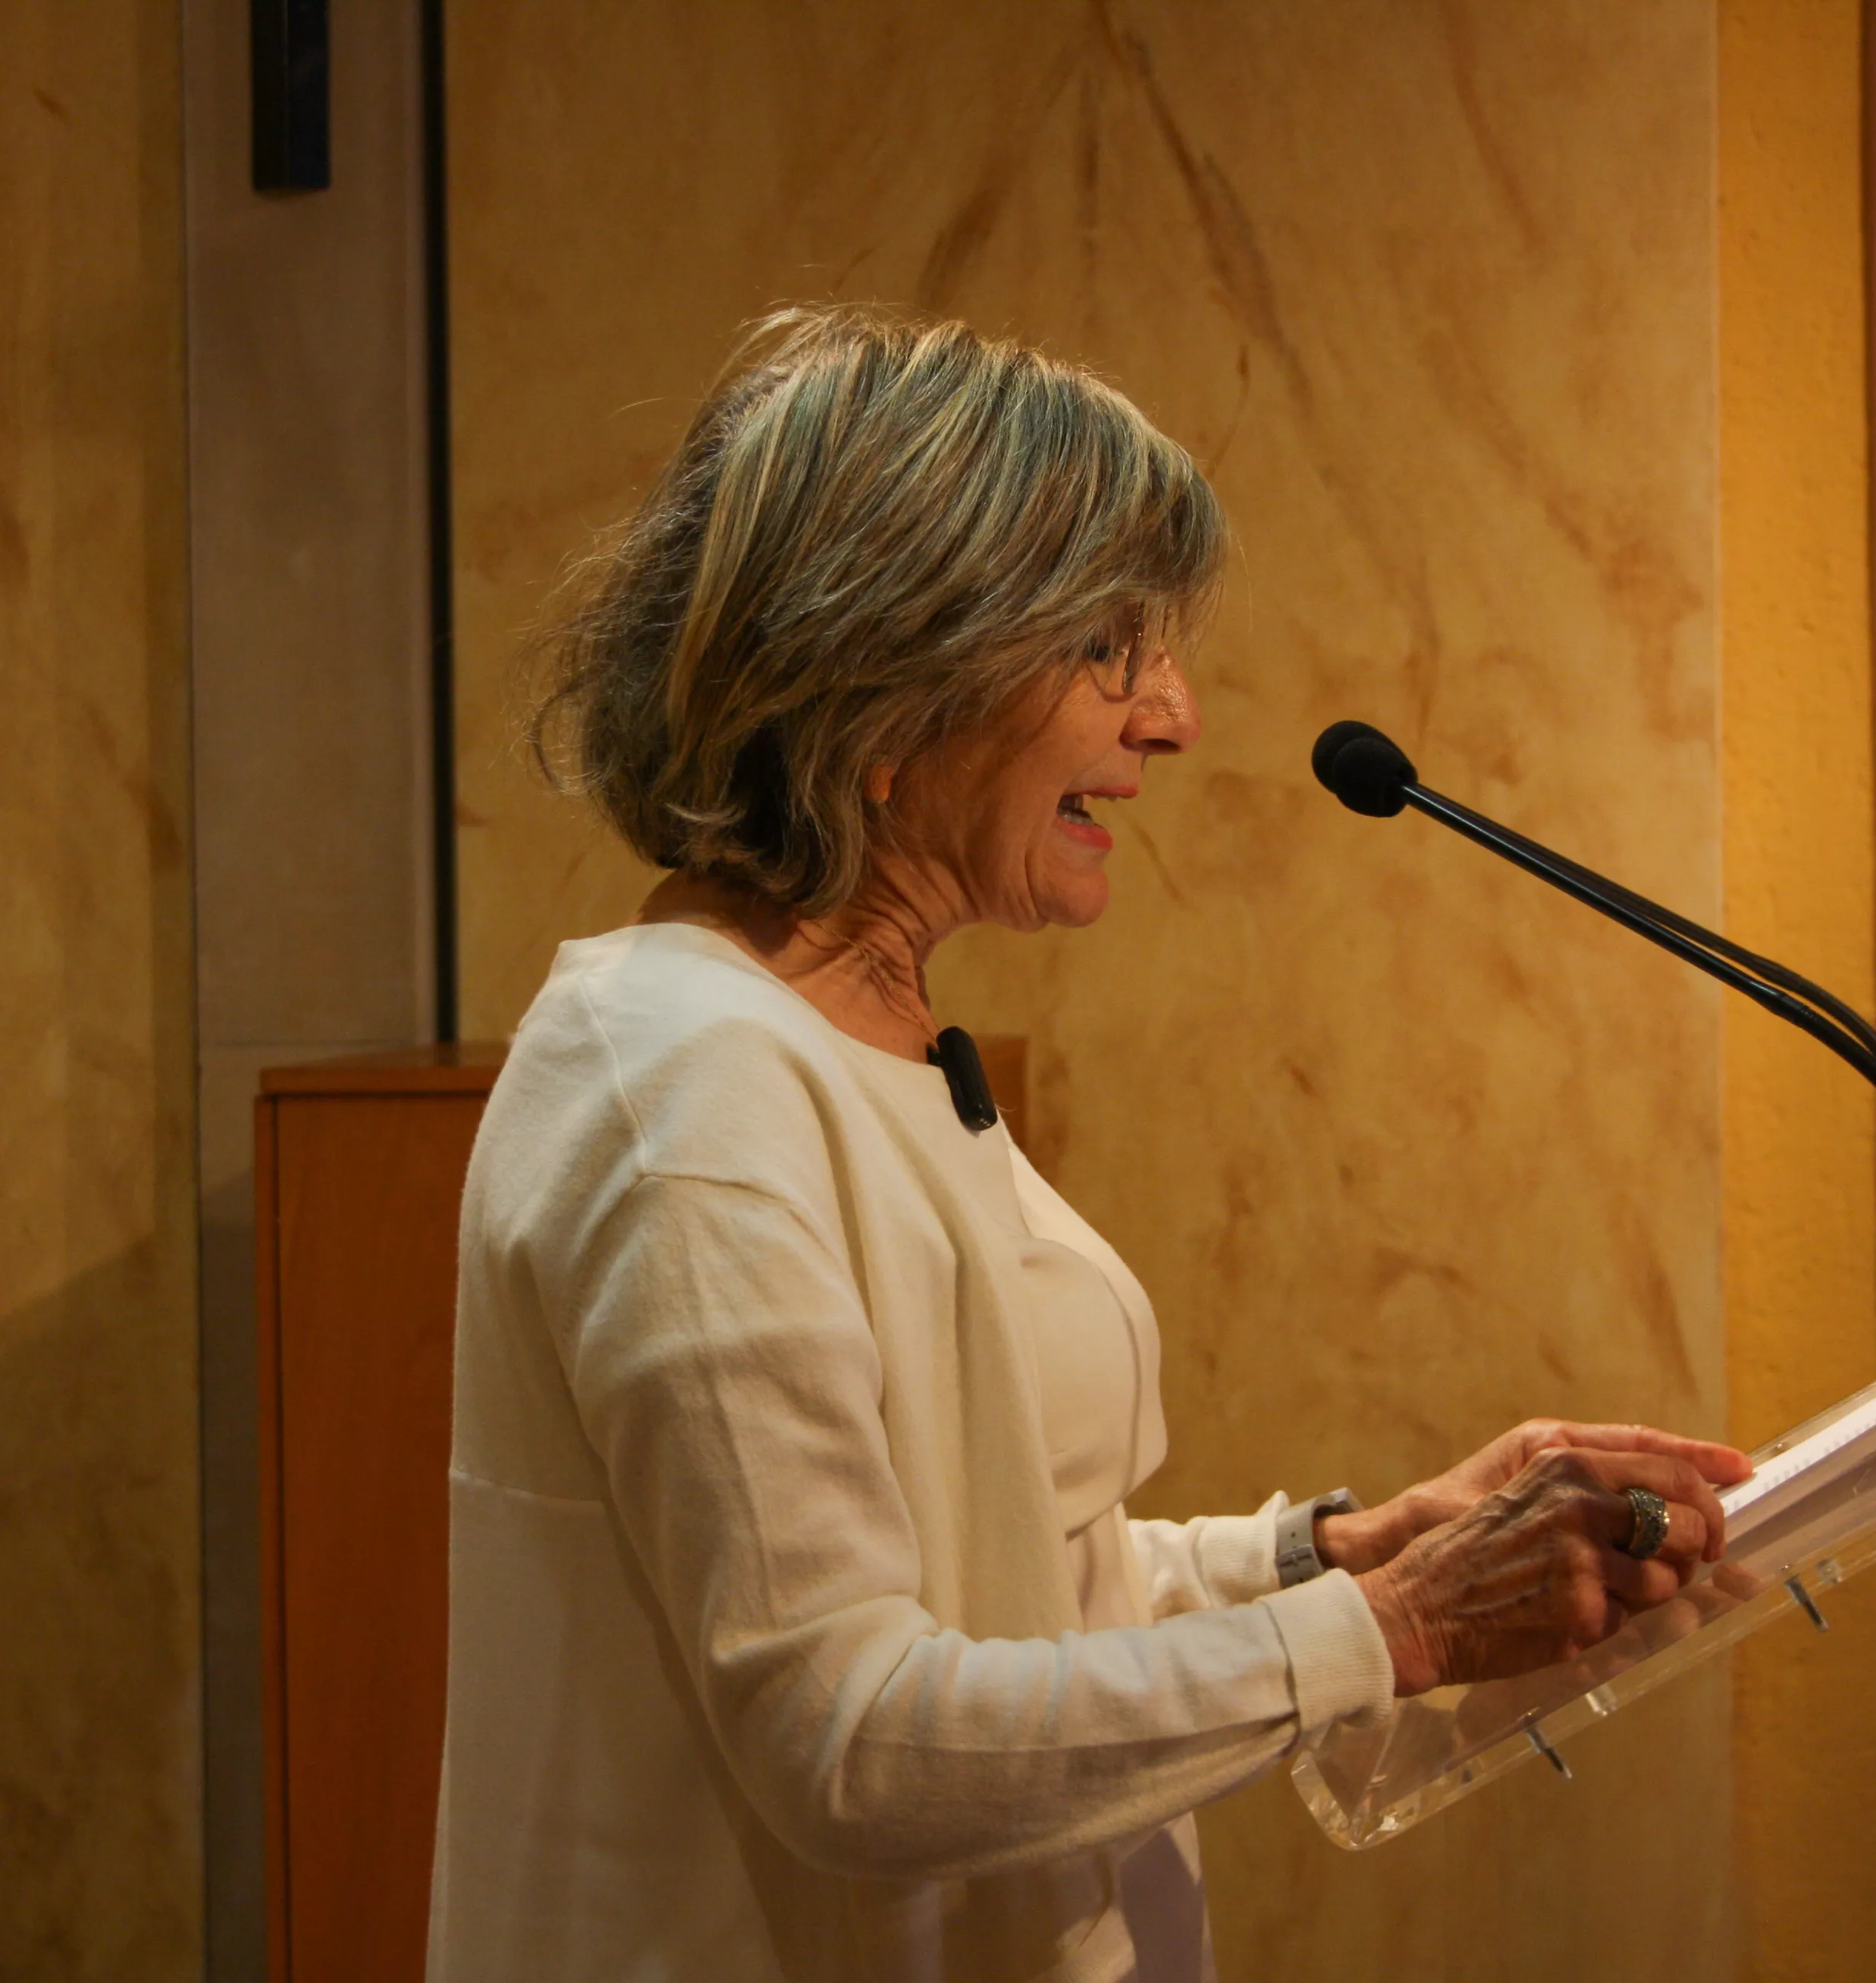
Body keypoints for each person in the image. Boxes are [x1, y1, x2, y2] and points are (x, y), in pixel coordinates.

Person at [427, 306, 1749, 1983]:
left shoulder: (858, 1032)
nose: (1176, 717)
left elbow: (998, 1570)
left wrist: (1335, 1552)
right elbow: (849, 1734)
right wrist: (1391, 1633)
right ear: (891, 681)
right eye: (1108, 651)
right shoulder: (689, 1093)